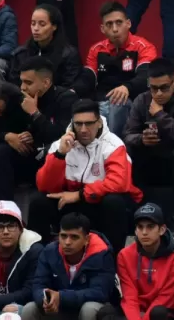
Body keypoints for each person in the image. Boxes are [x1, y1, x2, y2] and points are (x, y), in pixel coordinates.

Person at [29, 100, 143, 254]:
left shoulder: (114, 145)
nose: (83, 129)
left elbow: (119, 182)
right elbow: (44, 185)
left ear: (99, 123)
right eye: (78, 124)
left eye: (89, 124)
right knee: (39, 200)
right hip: (70, 204)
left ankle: (112, 260)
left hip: (99, 204)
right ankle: (36, 258)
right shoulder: (60, 145)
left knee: (114, 202)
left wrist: (80, 195)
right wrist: (60, 155)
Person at [122, 58, 174, 225]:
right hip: (154, 162)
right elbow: (128, 135)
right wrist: (142, 139)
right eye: (153, 88)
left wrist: (160, 115)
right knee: (131, 151)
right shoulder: (141, 100)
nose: (158, 94)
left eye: (164, 88)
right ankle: (136, 211)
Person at [4, 59, 76, 200]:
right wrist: (9, 135)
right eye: (22, 81)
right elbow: (3, 126)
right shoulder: (21, 97)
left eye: (28, 83)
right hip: (30, 153)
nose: (23, 87)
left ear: (46, 83)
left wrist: (35, 114)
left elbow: (61, 137)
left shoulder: (66, 98)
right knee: (2, 150)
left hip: (53, 157)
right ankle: (5, 205)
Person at [20, 213, 115, 320]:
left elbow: (100, 292)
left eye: (74, 237)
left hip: (86, 307)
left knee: (89, 309)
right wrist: (46, 300)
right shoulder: (49, 252)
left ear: (87, 239)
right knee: (30, 309)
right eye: (63, 236)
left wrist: (61, 297)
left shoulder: (101, 254)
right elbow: (38, 285)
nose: (67, 242)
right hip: (59, 308)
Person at [85, 1, 158, 136]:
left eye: (119, 23)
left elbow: (146, 77)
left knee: (117, 103)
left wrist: (126, 88)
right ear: (102, 28)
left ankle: (115, 149)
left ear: (128, 24)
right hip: (101, 102)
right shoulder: (96, 50)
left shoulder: (143, 46)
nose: (114, 29)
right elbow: (87, 80)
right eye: (109, 24)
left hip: (132, 101)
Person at [108, 203, 174, 320]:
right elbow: (130, 295)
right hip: (137, 310)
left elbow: (166, 297)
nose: (144, 232)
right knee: (106, 312)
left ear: (162, 230)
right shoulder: (124, 255)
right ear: (135, 231)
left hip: (166, 310)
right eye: (140, 227)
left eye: (150, 227)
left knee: (158, 312)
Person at [6, 5, 91, 98]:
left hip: (56, 103)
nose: (36, 28)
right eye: (33, 23)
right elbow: (13, 84)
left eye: (42, 24)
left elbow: (69, 87)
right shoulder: (20, 54)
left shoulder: (68, 54)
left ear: (54, 26)